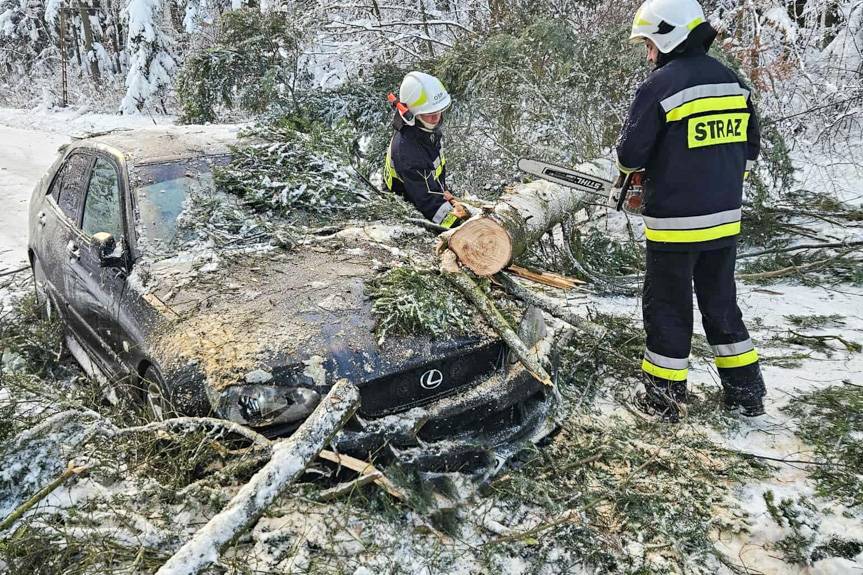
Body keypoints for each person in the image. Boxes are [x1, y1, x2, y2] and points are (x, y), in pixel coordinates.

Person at [616, 0, 766, 420]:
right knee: (721, 306)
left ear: (668, 34)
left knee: (667, 308)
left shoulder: (661, 86)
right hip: (723, 222)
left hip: (675, 227)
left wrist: (647, 173)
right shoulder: (733, 82)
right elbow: (749, 150)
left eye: (649, 44)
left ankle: (662, 398)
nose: (649, 54)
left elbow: (629, 154)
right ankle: (747, 395)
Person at [383, 71, 467, 228]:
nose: (435, 117)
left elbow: (432, 173)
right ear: (411, 114)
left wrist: (447, 195)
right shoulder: (409, 150)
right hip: (409, 212)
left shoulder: (426, 131)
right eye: (429, 113)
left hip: (429, 196)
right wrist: (459, 226)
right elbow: (428, 203)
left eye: (438, 111)